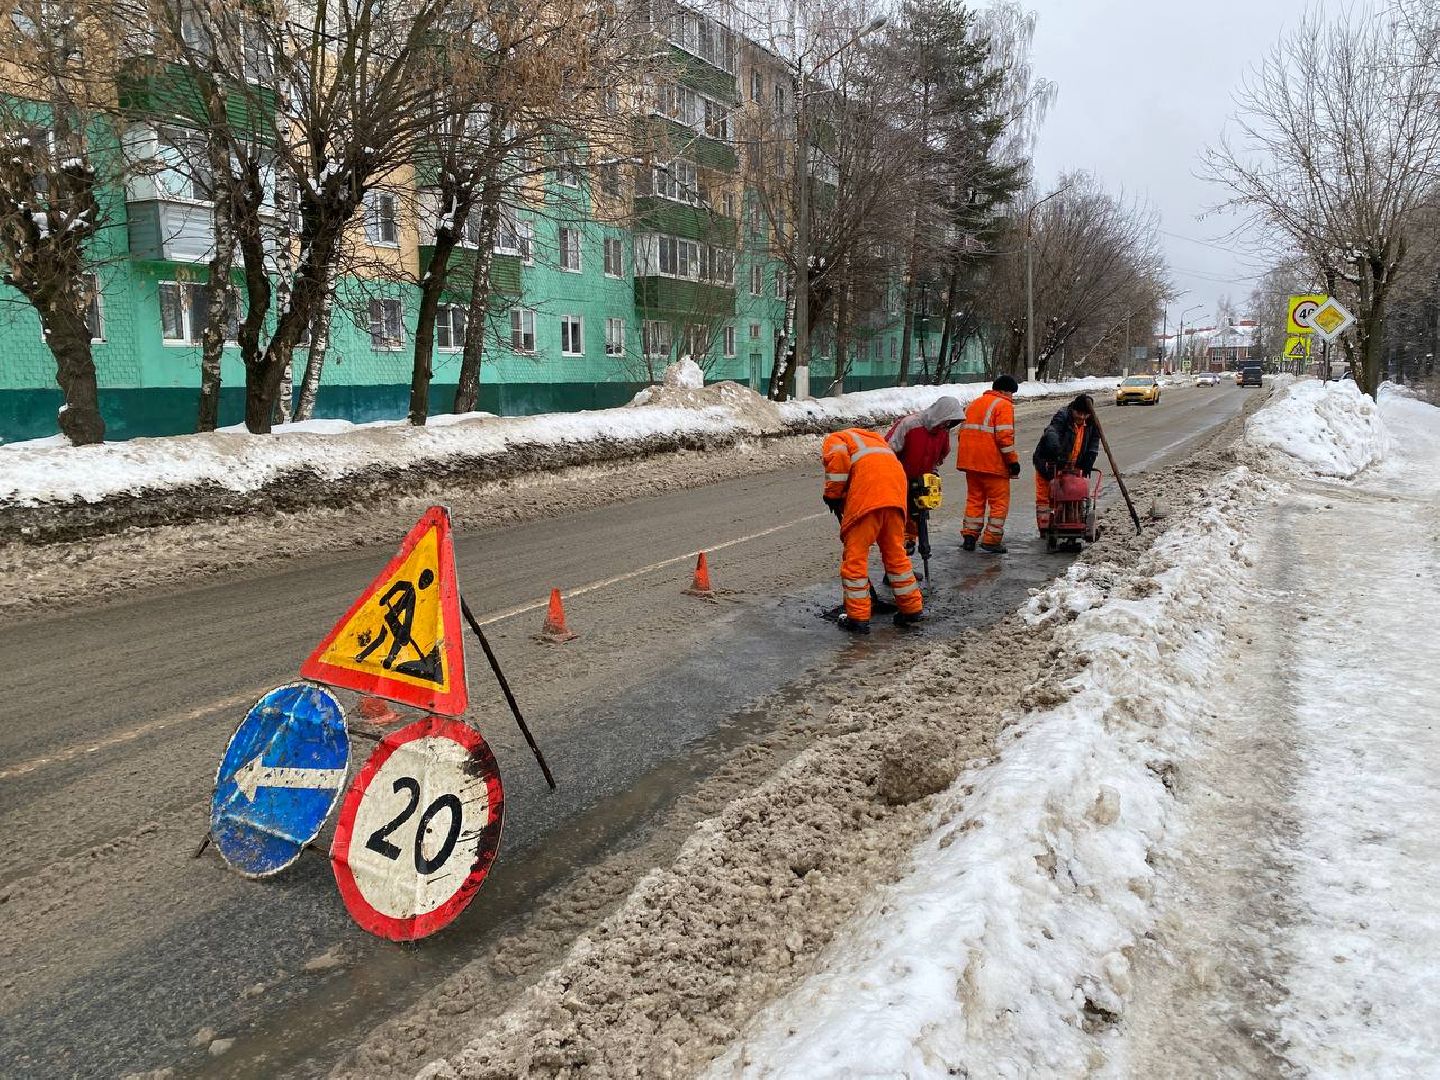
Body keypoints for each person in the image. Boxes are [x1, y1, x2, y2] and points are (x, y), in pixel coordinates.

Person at [821, 428, 924, 635]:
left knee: (855, 558)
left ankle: (858, 617)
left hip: (867, 501)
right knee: (896, 555)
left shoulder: (836, 439)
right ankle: (912, 609)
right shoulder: (875, 439)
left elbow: (838, 463)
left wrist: (832, 494)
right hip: (895, 498)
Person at [885, 395, 963, 548]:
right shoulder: (909, 424)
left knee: (916, 517)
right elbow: (888, 449)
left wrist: (933, 471)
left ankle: (908, 544)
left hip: (922, 480)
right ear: (941, 414)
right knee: (898, 514)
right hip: (899, 477)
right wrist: (894, 474)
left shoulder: (943, 431)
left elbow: (942, 453)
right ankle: (895, 547)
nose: (947, 425)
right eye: (947, 421)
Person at [954, 375, 1020, 554]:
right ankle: (991, 540)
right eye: (1011, 393)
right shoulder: (1003, 405)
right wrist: (1012, 461)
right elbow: (1004, 437)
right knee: (999, 503)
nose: (1012, 397)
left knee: (975, 499)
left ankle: (969, 537)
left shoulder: (974, 404)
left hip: (971, 463)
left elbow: (961, 433)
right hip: (993, 464)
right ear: (1004, 391)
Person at [1032, 393, 1101, 532]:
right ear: (1073, 409)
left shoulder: (1092, 423)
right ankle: (1045, 529)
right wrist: (1056, 451)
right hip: (1049, 461)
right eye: (1079, 413)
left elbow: (1093, 444)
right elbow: (1052, 432)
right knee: (1045, 498)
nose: (1082, 417)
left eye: (1085, 414)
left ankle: (1069, 524)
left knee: (1071, 495)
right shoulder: (1063, 416)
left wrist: (1089, 459)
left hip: (1072, 466)